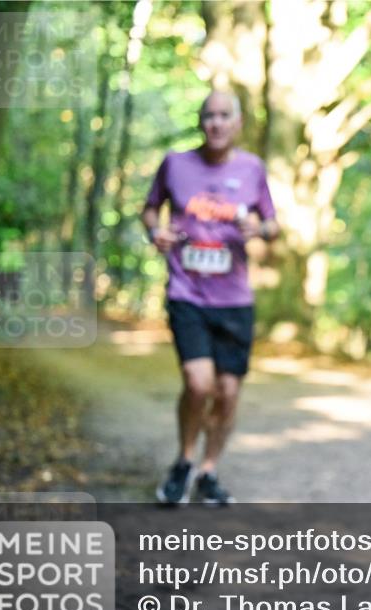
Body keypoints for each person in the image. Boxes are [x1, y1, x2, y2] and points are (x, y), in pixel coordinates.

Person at [141, 91, 280, 506]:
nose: (216, 123)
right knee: (197, 383)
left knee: (228, 392)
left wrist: (260, 229)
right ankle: (184, 461)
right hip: (187, 292)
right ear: (200, 122)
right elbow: (150, 210)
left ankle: (208, 471)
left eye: (224, 116)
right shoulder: (175, 165)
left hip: (234, 299)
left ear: (238, 123)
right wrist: (155, 233)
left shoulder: (252, 169)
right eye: (209, 116)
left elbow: (273, 224)